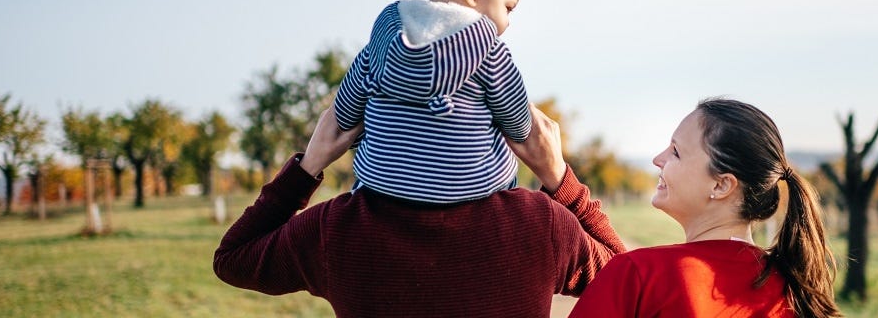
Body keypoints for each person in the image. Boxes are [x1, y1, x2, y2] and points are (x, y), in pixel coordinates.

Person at [213, 105, 626, 317]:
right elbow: (625, 277)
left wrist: (309, 166)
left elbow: (232, 259)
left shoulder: (337, 229)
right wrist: (558, 178)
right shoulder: (539, 224)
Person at [569, 98, 841, 318]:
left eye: (675, 151)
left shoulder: (640, 275)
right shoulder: (795, 293)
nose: (657, 159)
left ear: (722, 185)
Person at [332, 0, 532, 204]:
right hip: (471, 195)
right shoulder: (490, 52)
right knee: (504, 160)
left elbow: (344, 116)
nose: (507, 22)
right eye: (508, 8)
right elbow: (519, 126)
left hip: (382, 192)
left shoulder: (381, 42)